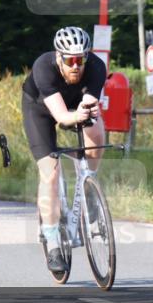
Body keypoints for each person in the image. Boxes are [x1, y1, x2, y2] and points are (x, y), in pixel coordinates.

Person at [21, 26, 106, 272]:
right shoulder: (43, 68)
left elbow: (89, 105)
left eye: (81, 60)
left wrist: (88, 113)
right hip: (40, 109)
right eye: (70, 60)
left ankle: (89, 186)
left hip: (74, 103)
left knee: (97, 131)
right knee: (51, 170)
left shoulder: (97, 67)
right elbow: (60, 116)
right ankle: (52, 240)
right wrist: (76, 115)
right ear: (59, 57)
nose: (76, 66)